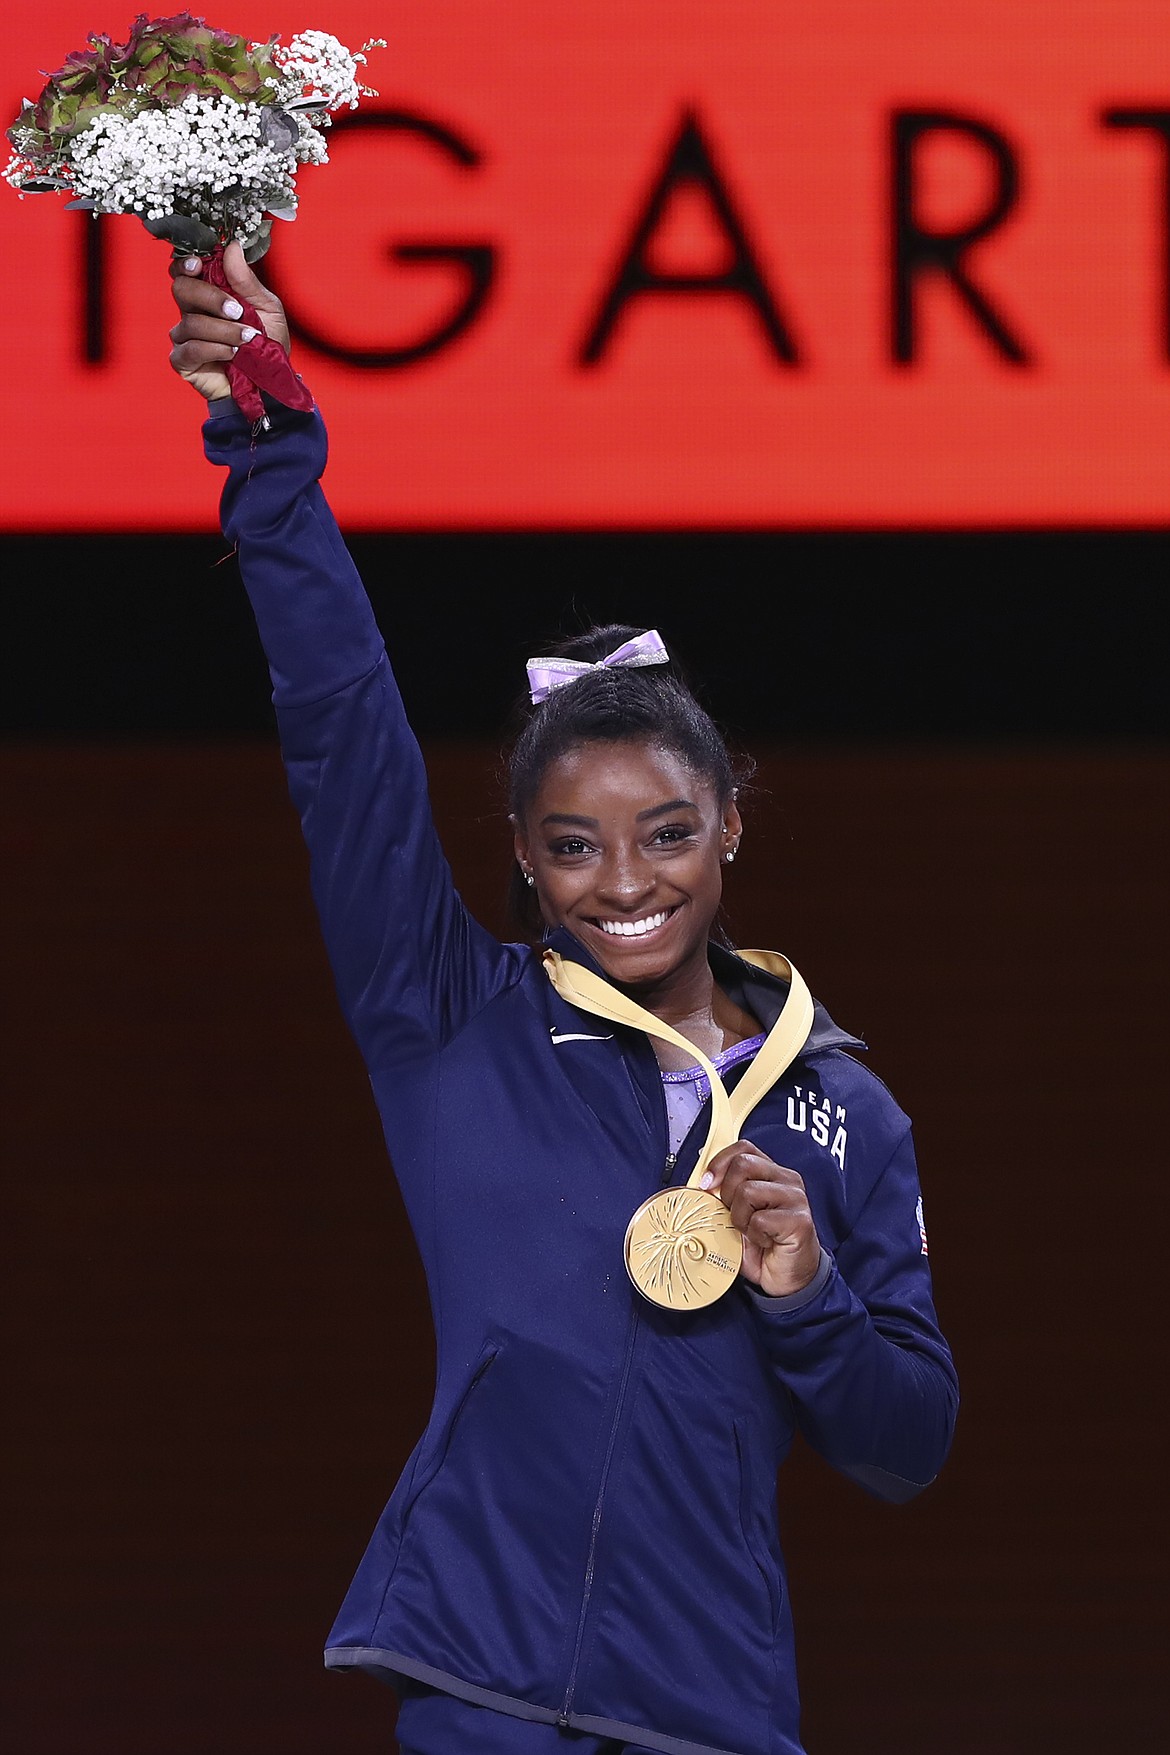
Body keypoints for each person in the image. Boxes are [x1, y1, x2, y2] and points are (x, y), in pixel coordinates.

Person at [168, 243, 958, 1755]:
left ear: (730, 821)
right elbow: (340, 736)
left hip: (711, 1709)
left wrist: (803, 1290)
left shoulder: (838, 1109)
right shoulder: (449, 1019)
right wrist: (268, 447)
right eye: (572, 848)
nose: (625, 884)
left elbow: (904, 1448)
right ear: (523, 863)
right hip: (474, 1680)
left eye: (666, 834)